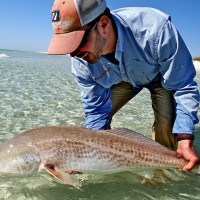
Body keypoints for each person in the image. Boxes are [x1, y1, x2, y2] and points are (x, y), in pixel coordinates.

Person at [48, 0, 199, 170]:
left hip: (161, 79)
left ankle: (162, 176)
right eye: (68, 46)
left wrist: (185, 137)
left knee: (168, 131)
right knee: (91, 132)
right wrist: (85, 157)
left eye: (78, 43)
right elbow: (96, 111)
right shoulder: (81, 60)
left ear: (104, 25)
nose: (73, 54)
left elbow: (183, 85)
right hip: (122, 81)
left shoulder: (155, 30)